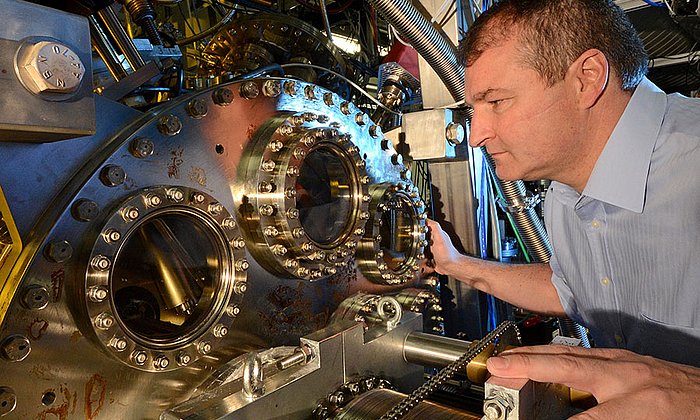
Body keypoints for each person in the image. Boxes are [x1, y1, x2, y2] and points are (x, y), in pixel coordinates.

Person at [426, 0, 700, 417]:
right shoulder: (563, 196)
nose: (478, 134)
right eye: (472, 110)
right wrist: (457, 265)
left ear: (587, 79)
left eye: (496, 102)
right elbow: (573, 288)